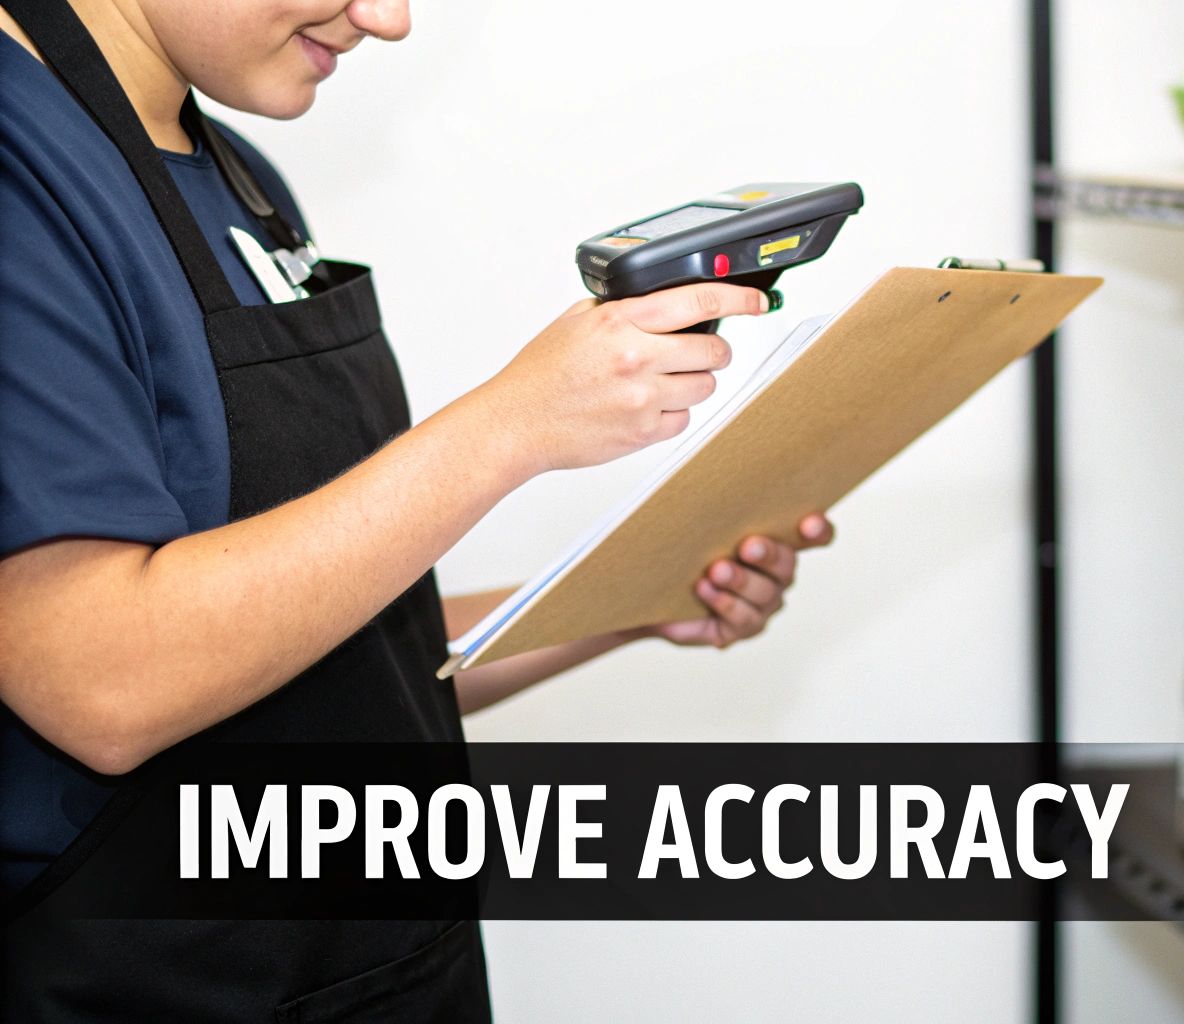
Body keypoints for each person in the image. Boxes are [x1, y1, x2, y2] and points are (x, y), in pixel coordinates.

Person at [0, 0, 832, 1017]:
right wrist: (513, 424)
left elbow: (334, 650)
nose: (387, 19)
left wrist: (626, 601)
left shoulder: (237, 180)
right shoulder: (19, 172)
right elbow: (104, 683)